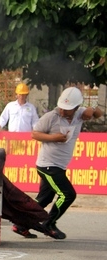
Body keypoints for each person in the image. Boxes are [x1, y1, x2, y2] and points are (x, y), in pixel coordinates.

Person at [32, 87, 102, 239]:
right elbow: (35, 134)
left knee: (44, 199)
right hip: (48, 165)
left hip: (59, 165)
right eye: (62, 108)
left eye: (68, 109)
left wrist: (93, 109)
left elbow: (98, 114)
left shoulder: (79, 114)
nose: (63, 111)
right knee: (68, 194)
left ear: (76, 108)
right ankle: (49, 223)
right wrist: (54, 138)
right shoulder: (51, 116)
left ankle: (20, 223)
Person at [0, 83, 40, 238]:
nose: (23, 96)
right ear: (16, 94)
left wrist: (36, 132)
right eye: (21, 94)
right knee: (11, 164)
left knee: (25, 164)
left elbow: (35, 123)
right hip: (12, 141)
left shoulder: (31, 108)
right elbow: (3, 119)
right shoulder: (10, 106)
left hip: (26, 141)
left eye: (25, 94)